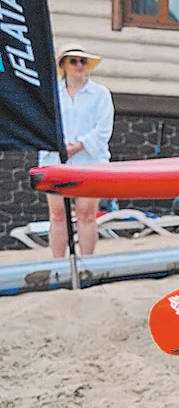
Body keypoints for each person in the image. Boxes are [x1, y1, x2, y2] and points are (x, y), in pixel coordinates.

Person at [39, 46, 114, 258]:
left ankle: (87, 263)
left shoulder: (101, 94)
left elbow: (104, 128)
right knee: (57, 214)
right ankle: (58, 264)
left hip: (90, 160)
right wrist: (59, 145)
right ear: (63, 65)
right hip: (55, 159)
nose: (79, 66)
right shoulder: (50, 94)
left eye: (83, 61)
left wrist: (79, 145)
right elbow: (42, 124)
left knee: (87, 214)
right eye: (73, 61)